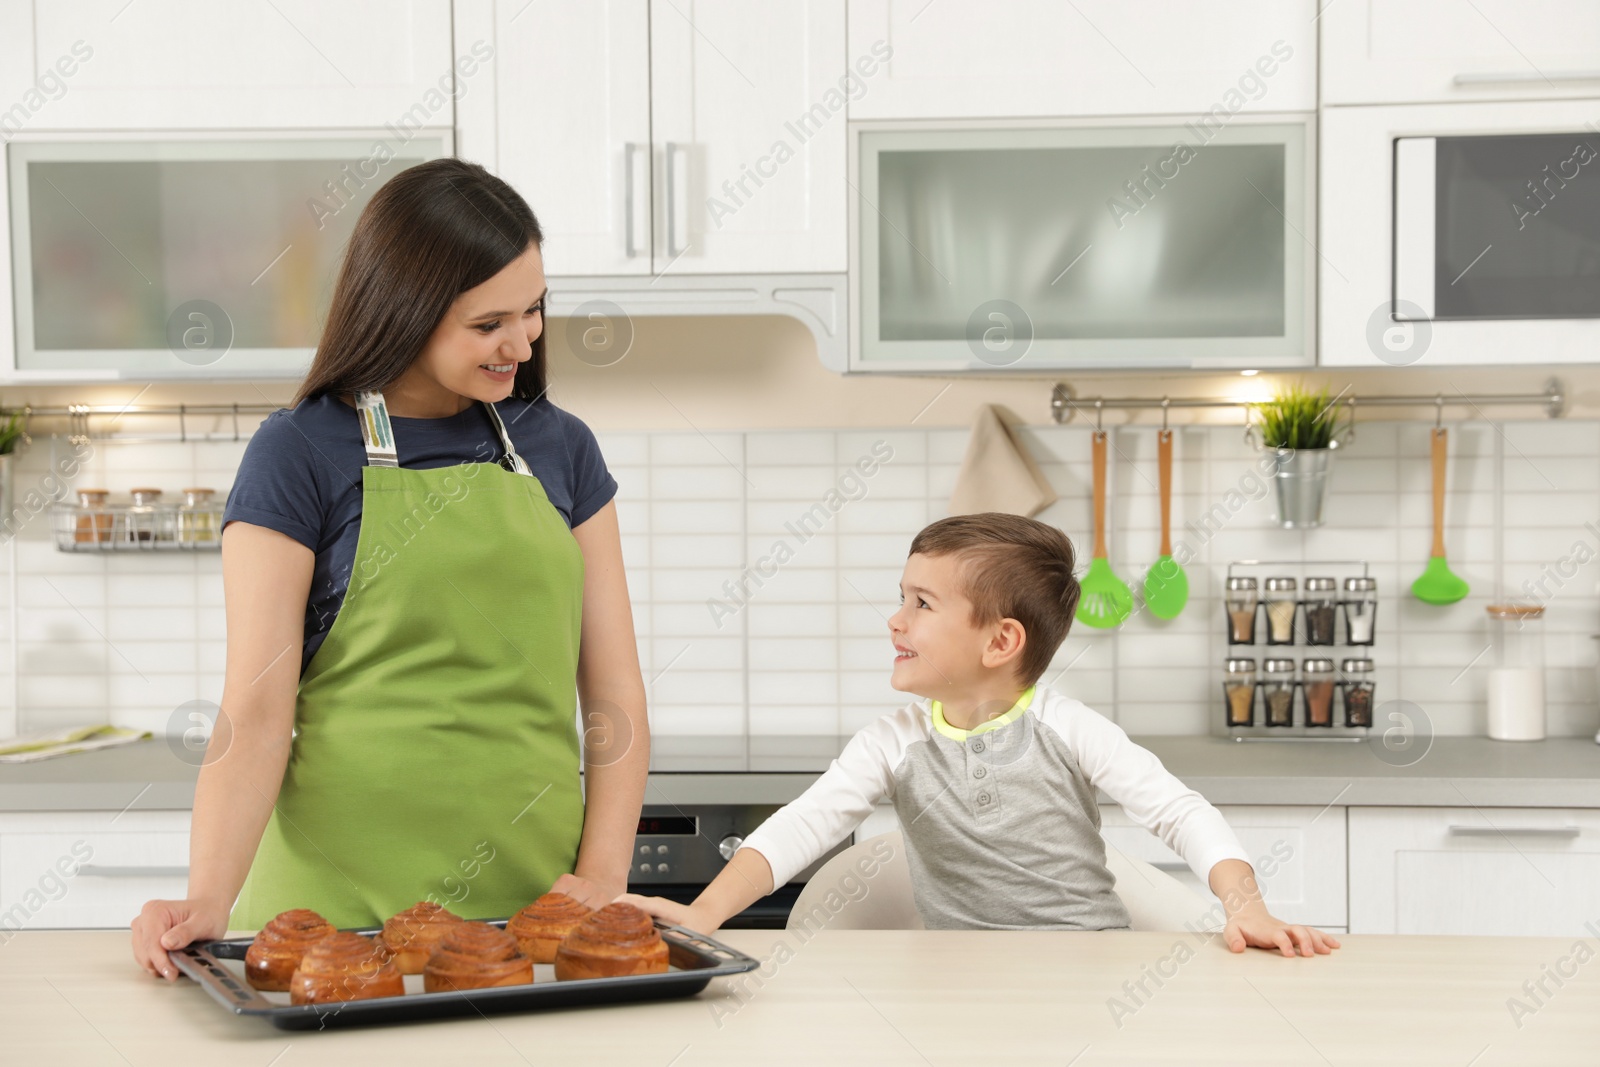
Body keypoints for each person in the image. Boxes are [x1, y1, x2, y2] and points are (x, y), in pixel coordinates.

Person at [131, 158, 649, 979]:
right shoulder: (296, 453)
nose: (522, 342)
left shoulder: (562, 447)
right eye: (488, 324)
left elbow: (615, 694)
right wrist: (208, 896)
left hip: (528, 921)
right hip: (330, 932)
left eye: (534, 309)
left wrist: (603, 877)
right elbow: (258, 710)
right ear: (405, 310)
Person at [625, 513, 1339, 957]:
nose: (895, 619)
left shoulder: (1066, 727)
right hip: (957, 973)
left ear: (1001, 641)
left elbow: (1178, 810)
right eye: (902, 597)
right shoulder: (891, 742)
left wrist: (1247, 907)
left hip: (1090, 967)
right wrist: (704, 912)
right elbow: (804, 825)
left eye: (922, 602)